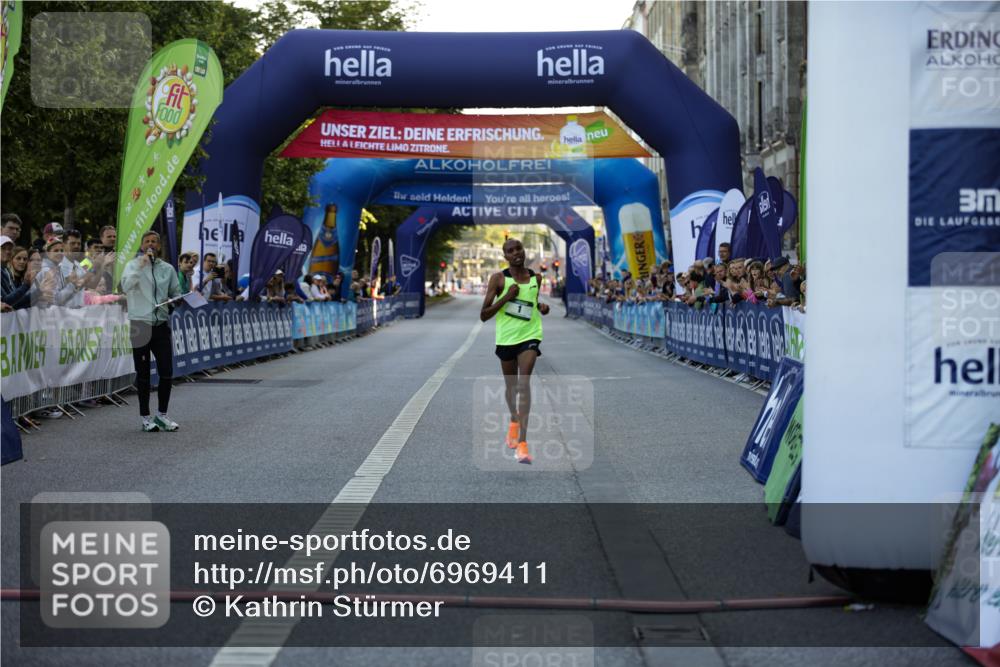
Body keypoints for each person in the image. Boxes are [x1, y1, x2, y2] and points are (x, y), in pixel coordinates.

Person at [479, 238, 550, 465]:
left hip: (530, 336)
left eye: (519, 248)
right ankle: (513, 420)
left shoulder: (536, 278)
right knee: (511, 387)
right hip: (506, 339)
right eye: (511, 251)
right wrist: (506, 297)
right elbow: (484, 314)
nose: (516, 253)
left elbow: (533, 302)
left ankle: (522, 443)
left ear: (524, 250)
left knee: (523, 383)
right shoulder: (498, 279)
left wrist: (542, 307)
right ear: (506, 257)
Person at [121, 231, 181, 432]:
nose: (151, 244)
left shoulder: (168, 269)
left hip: (161, 325)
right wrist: (141, 265)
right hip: (140, 325)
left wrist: (173, 303)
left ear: (159, 246)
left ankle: (162, 415)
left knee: (166, 372)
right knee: (144, 374)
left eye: (154, 241)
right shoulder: (132, 265)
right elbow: (126, 286)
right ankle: (145, 417)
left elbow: (176, 293)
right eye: (147, 241)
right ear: (141, 245)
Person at [32, 238, 85, 308]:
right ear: (47, 253)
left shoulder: (57, 268)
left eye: (61, 250)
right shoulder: (47, 271)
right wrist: (72, 284)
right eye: (56, 251)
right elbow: (56, 300)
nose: (60, 253)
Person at [2, 238, 33, 311]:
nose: (22, 262)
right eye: (18, 258)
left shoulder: (23, 277)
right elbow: (8, 302)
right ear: (11, 259)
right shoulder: (6, 275)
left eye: (25, 259)